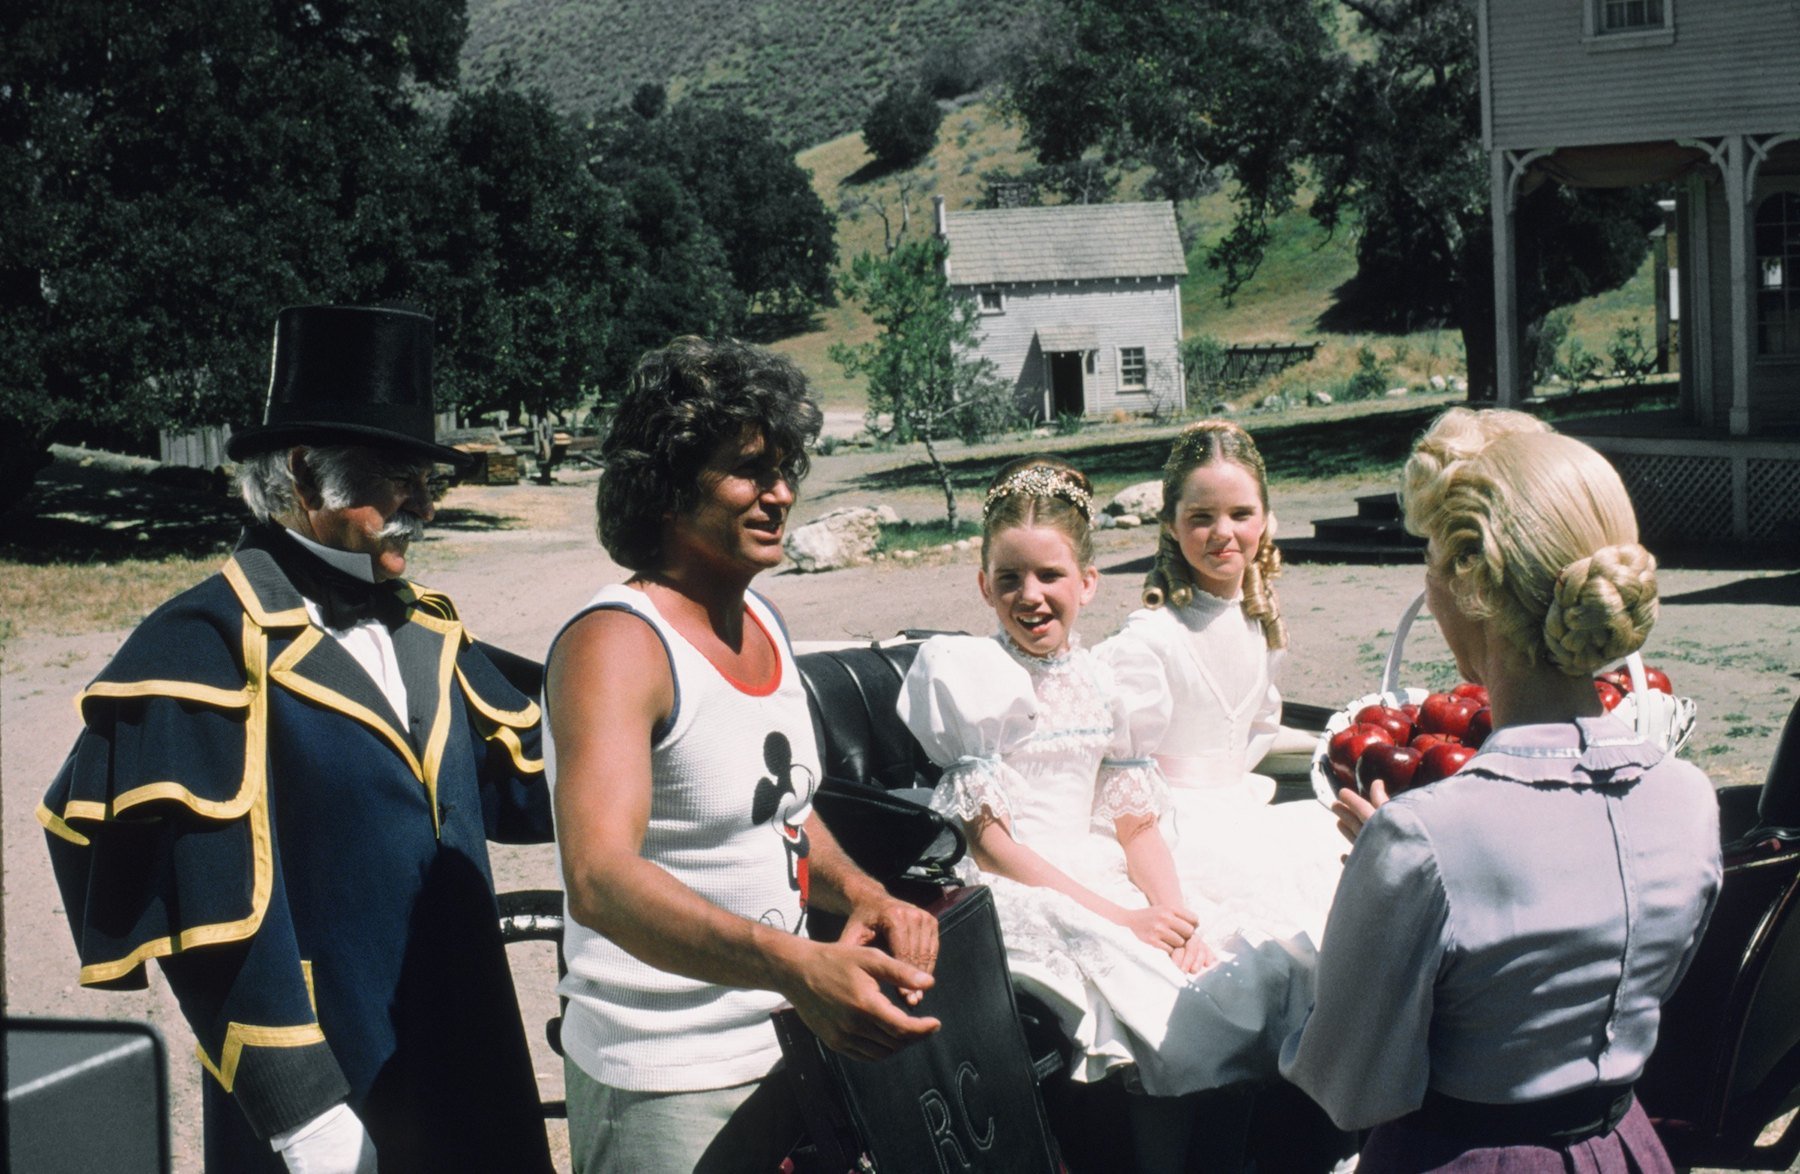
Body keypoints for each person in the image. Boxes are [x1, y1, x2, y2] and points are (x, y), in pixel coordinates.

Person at [38, 304, 556, 1173]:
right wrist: (299, 1111)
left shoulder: (433, 630)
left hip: (473, 1059)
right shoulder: (201, 645)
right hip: (333, 1085)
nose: (423, 506)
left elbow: (528, 789)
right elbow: (208, 918)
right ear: (308, 477)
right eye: (397, 478)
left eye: (427, 481)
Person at [1280, 407, 1722, 1171]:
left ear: (1466, 580)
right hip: (1627, 1146)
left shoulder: (1422, 838)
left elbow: (1347, 1088)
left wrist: (1382, 871)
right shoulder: (1688, 795)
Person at [546, 336, 941, 1174]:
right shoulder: (617, 644)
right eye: (749, 471)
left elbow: (782, 813)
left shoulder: (761, 619)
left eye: (787, 468)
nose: (782, 494)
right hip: (668, 1078)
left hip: (788, 1045)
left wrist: (866, 892)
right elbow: (600, 880)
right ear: (665, 487)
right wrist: (797, 964)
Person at [898, 456, 1315, 1172]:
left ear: (1087, 584)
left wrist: (1170, 911)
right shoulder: (975, 678)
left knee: (1247, 965)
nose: (1031, 596)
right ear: (984, 587)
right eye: (1010, 579)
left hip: (1101, 867)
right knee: (1160, 1005)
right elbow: (992, 844)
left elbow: (1135, 821)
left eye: (1050, 576)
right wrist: (1121, 919)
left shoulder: (1107, 682)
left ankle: (1228, 1154)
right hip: (1022, 883)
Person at [1099, 419, 1343, 949]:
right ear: (1170, 524)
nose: (1223, 533)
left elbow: (1256, 732)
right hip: (1176, 832)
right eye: (1201, 518)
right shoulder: (1148, 641)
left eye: (1241, 514)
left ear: (1267, 519)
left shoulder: (1261, 620)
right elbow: (1118, 774)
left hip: (1242, 811)